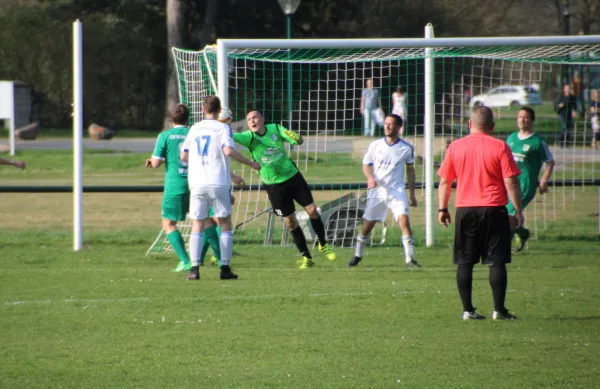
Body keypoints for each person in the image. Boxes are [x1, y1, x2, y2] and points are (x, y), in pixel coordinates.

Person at [437, 106, 523, 321]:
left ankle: (468, 310)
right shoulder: (500, 146)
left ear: (469, 124)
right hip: (494, 208)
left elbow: (445, 181)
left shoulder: (455, 147)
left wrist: (442, 208)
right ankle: (499, 310)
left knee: (465, 260)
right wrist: (517, 210)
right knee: (497, 260)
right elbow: (511, 182)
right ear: (492, 126)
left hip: (466, 209)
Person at [234, 110, 337, 269]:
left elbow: (298, 140)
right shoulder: (249, 137)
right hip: (273, 186)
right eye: (248, 119)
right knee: (290, 222)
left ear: (262, 118)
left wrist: (298, 137)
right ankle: (306, 257)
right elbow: (229, 136)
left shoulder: (275, 128)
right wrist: (221, 124)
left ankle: (323, 244)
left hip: (293, 177)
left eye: (255, 117)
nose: (252, 121)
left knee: (312, 210)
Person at [180, 96, 260, 280]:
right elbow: (228, 151)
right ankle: (224, 268)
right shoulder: (223, 128)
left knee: (197, 224)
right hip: (218, 182)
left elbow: (184, 156)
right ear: (219, 110)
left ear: (202, 109)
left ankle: (194, 269)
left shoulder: (194, 128)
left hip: (197, 182)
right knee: (225, 224)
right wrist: (250, 163)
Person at [348, 114, 421, 268]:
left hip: (396, 191)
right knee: (367, 226)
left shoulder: (406, 148)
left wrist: (412, 194)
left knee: (404, 221)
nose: (387, 126)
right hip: (378, 191)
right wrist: (370, 178)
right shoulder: (375, 145)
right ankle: (357, 255)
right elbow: (366, 165)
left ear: (398, 127)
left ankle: (410, 259)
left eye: (391, 124)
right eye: (386, 123)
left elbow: (410, 171)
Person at [145, 103, 193, 273]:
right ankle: (217, 257)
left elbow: (156, 163)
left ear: (171, 119)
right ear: (188, 118)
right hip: (196, 183)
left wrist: (154, 161)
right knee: (206, 221)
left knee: (169, 223)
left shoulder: (165, 136)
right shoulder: (194, 133)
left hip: (176, 185)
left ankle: (186, 261)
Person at [506, 107, 555, 251]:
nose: (522, 119)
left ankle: (503, 249)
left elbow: (550, 162)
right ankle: (523, 233)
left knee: (509, 215)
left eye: (526, 117)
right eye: (520, 116)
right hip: (509, 183)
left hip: (525, 185)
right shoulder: (512, 138)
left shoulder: (537, 142)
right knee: (504, 215)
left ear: (532, 120)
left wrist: (544, 180)